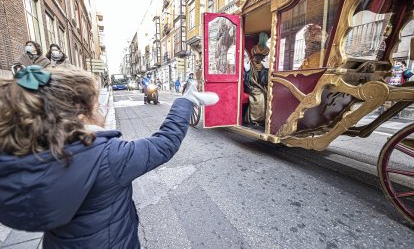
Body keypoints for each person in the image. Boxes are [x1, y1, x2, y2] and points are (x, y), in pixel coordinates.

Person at [0, 65, 218, 248]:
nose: (103, 109)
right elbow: (165, 143)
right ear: (82, 117)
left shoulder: (23, 158)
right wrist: (185, 101)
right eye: (98, 106)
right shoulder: (108, 156)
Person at [244, 32, 270, 126]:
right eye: (257, 57)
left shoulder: (264, 65)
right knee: (261, 95)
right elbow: (248, 79)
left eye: (261, 57)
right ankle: (254, 119)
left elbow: (264, 80)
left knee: (268, 93)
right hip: (251, 86)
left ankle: (265, 118)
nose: (258, 58)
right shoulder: (250, 64)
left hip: (261, 85)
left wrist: (266, 69)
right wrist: (247, 71)